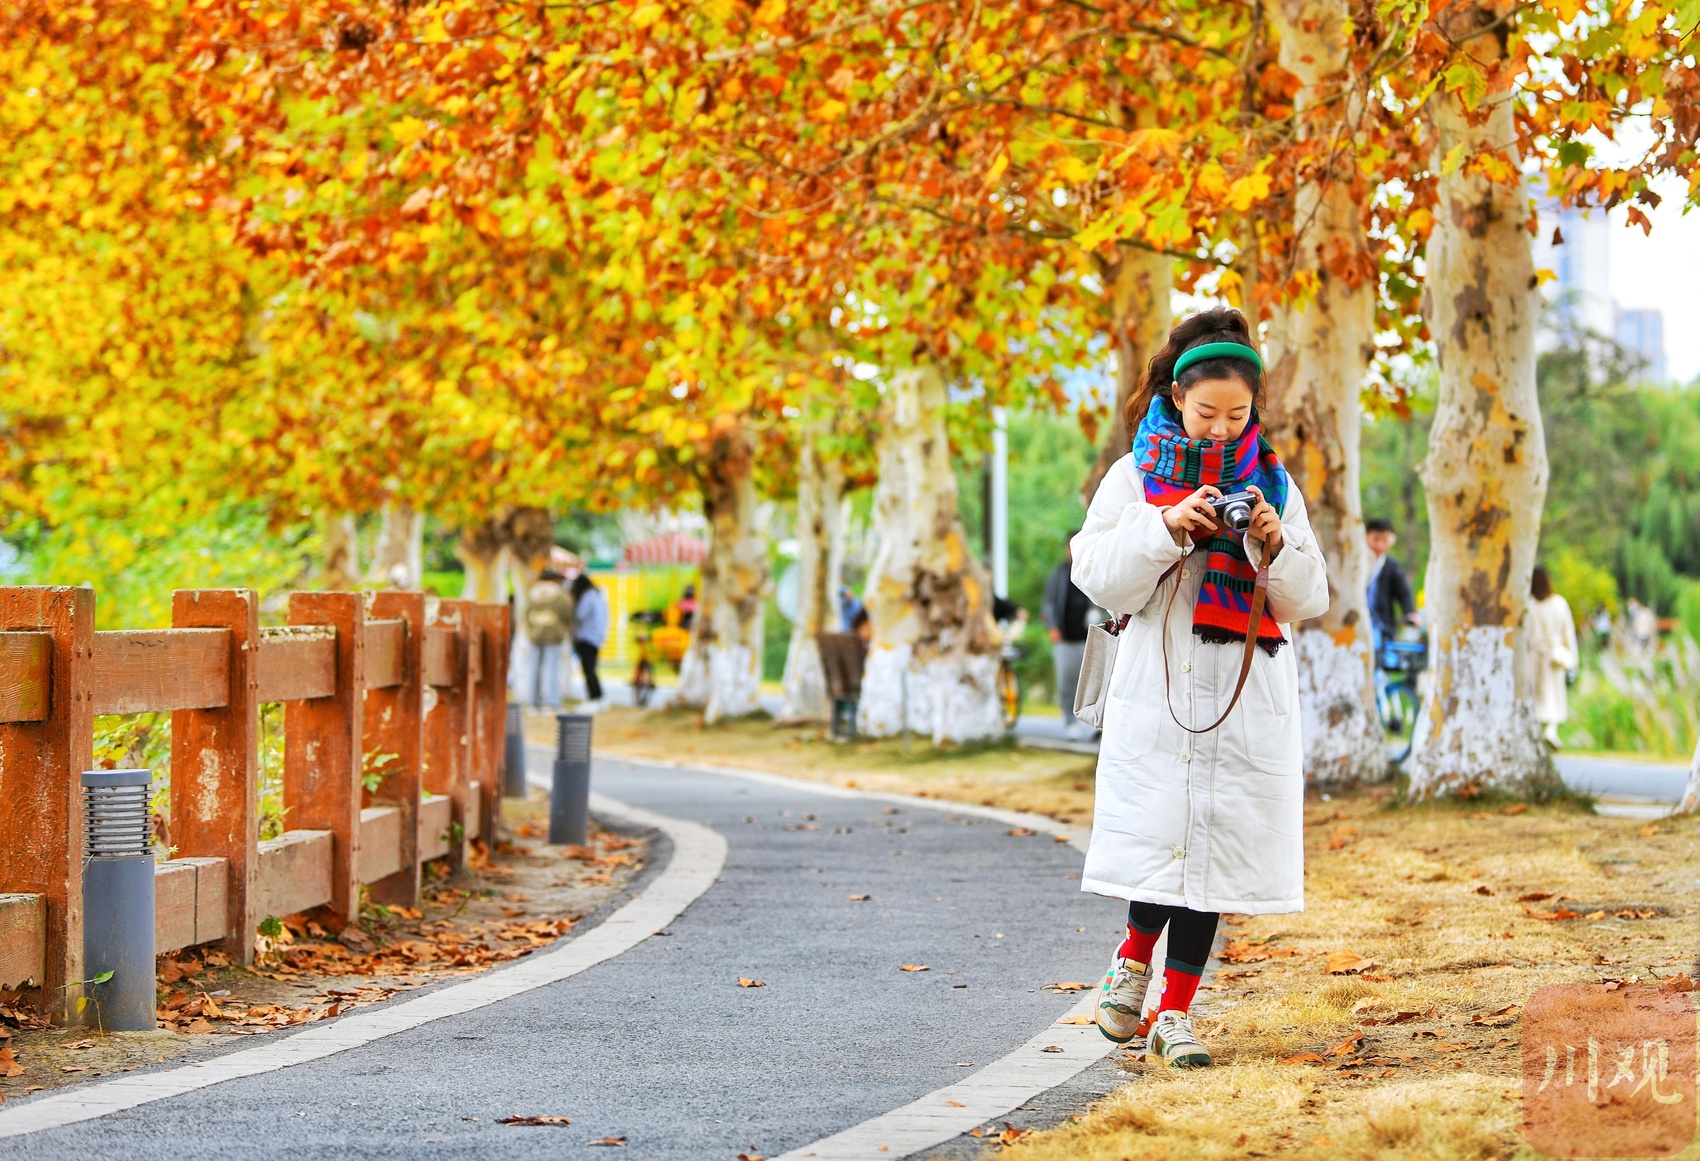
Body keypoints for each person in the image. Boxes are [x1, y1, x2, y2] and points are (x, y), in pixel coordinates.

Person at [1070, 307, 1330, 1069]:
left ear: (1255, 410)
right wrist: (1166, 525)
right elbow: (1097, 573)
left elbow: (1307, 596)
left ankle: (1176, 1012)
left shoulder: (1273, 482)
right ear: (1178, 397)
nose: (1221, 429)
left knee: (1208, 854)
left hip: (1242, 699)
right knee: (1162, 836)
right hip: (1158, 687)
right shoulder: (1134, 476)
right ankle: (1130, 962)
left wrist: (1274, 544)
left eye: (1237, 415)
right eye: (1207, 412)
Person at [1042, 535, 1096, 737]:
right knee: (1066, 681)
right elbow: (1048, 603)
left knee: (1091, 682)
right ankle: (1069, 721)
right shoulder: (1059, 574)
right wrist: (1051, 626)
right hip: (1064, 638)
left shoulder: (1092, 568)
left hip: (1088, 639)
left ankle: (1091, 723)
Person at [1526, 566, 1578, 747]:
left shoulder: (1527, 604)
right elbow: (1568, 634)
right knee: (1554, 694)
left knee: (1535, 694)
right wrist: (1573, 659)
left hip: (1532, 655)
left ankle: (1539, 733)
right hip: (1553, 657)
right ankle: (1551, 730)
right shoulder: (1559, 604)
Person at [523, 569, 576, 711]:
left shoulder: (532, 594)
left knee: (534, 670)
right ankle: (553, 703)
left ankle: (533, 702)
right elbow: (567, 614)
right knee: (553, 670)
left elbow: (525, 614)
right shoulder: (560, 595)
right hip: (554, 636)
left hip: (535, 636)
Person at [1365, 517, 1416, 658]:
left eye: (1385, 540)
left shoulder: (1391, 566)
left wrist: (1410, 612)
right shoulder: (1358, 563)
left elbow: (1403, 593)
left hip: (1382, 623)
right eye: (1376, 539)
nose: (1380, 545)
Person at [572, 573, 608, 713]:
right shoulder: (599, 596)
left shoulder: (587, 597)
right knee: (592, 669)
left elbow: (580, 615)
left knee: (588, 670)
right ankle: (597, 697)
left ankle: (595, 697)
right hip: (597, 637)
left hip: (586, 637)